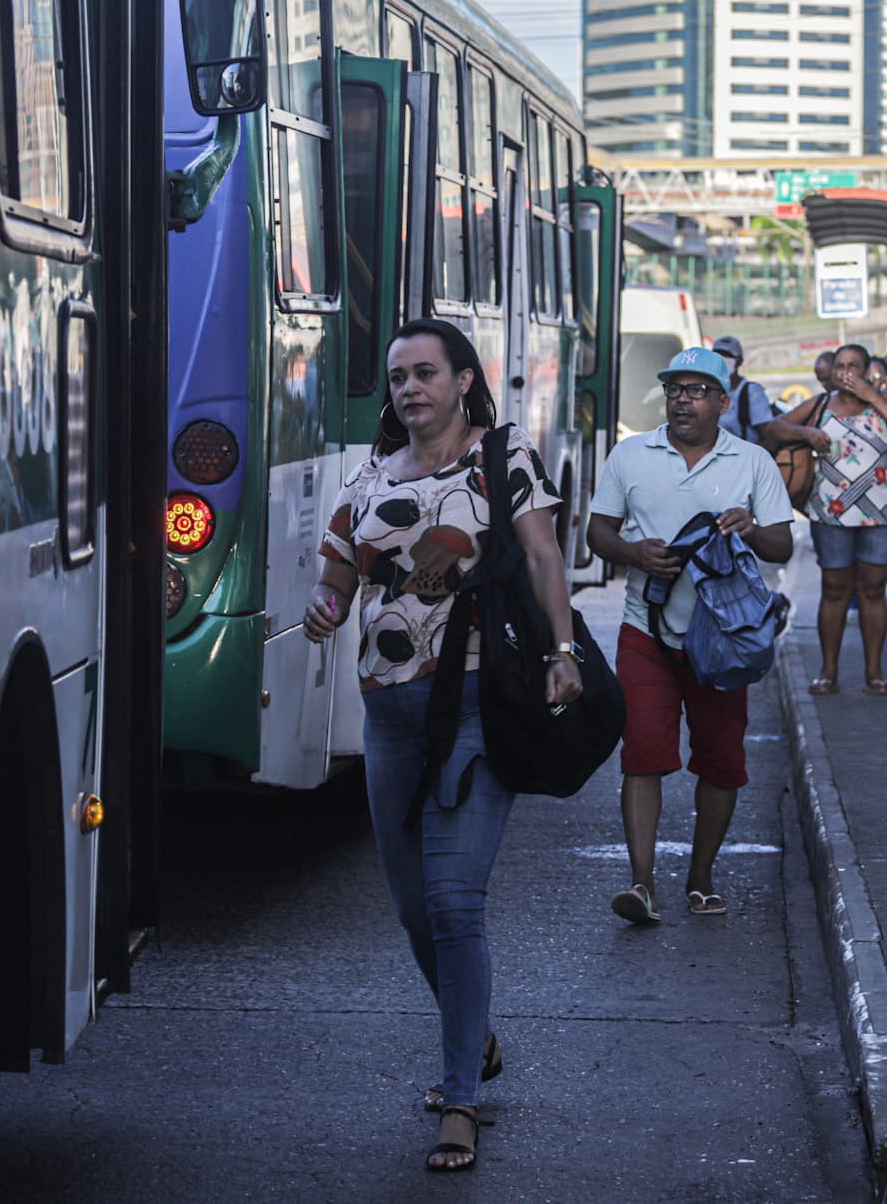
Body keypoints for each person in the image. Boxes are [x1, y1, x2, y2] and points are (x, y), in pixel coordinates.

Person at [305, 319, 576, 1170]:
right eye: (397, 377)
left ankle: (460, 1094)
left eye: (426, 373)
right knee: (414, 909)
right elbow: (339, 574)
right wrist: (323, 607)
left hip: (473, 707)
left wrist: (564, 651)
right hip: (389, 716)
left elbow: (542, 558)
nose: (409, 389)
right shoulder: (371, 472)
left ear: (464, 380)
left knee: (456, 904)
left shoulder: (501, 457)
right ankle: (478, 1036)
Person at [587, 347, 794, 925]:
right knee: (643, 756)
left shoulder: (752, 461)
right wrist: (633, 552)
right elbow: (596, 531)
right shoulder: (631, 454)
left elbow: (784, 545)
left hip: (723, 639)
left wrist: (750, 528)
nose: (683, 399)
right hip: (645, 632)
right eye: (676, 388)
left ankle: (700, 877)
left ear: (724, 402)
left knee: (721, 761)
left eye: (698, 390)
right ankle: (642, 883)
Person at [771, 343, 887, 695]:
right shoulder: (820, 405)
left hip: (878, 513)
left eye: (853, 366)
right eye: (840, 366)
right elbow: (774, 428)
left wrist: (871, 393)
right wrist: (806, 434)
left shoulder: (881, 403)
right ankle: (828, 672)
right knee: (834, 590)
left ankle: (874, 672)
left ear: (867, 370)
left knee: (872, 589)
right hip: (830, 512)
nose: (845, 372)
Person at [711, 334, 775, 445]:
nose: (722, 360)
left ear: (739, 361)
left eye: (727, 356)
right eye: (717, 355)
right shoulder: (710, 390)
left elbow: (768, 436)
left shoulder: (751, 393)